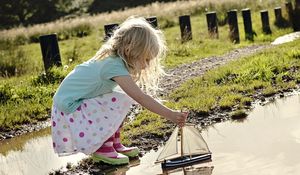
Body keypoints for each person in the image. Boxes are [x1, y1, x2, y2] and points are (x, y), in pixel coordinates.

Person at [51, 16, 188, 165]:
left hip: (76, 102)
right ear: (130, 50)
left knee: (120, 98)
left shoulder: (116, 60)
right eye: (146, 59)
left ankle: (113, 143)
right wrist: (171, 115)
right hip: (70, 106)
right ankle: (103, 147)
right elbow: (140, 97)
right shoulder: (113, 65)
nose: (147, 65)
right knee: (120, 99)